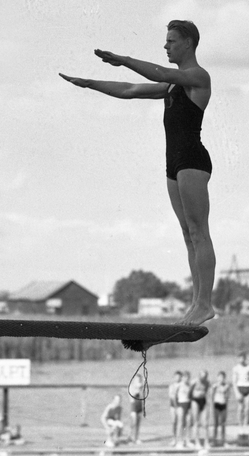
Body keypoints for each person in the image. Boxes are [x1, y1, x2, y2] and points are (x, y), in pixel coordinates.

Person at [60, 20, 215, 326]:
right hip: (174, 163)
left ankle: (204, 303)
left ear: (188, 44)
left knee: (199, 231)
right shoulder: (172, 86)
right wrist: (90, 83)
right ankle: (196, 303)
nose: (166, 46)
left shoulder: (197, 77)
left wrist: (124, 60)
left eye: (171, 41)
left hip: (192, 161)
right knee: (187, 235)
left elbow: (160, 72)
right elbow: (130, 90)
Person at [232, 352, 249, 428]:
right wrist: (236, 393)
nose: (242, 359)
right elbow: (234, 382)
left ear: (245, 358)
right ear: (238, 359)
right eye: (240, 358)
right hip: (240, 388)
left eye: (243, 358)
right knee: (240, 408)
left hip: (248, 387)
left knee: (247, 409)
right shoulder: (236, 368)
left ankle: (245, 425)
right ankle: (240, 425)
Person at [190, 370, 210, 447]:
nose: (203, 378)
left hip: (203, 401)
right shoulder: (194, 382)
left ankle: (206, 442)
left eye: (205, 377)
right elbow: (189, 393)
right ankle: (197, 442)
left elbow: (207, 392)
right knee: (196, 422)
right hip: (195, 401)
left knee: (205, 423)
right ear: (199, 376)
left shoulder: (207, 383)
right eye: (202, 376)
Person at [211, 370, 231, 446]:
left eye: (222, 377)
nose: (220, 379)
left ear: (224, 378)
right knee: (216, 423)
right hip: (216, 405)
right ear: (217, 378)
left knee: (223, 423)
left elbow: (228, 396)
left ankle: (223, 441)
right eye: (219, 377)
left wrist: (225, 392)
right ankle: (214, 440)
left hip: (223, 405)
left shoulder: (227, 386)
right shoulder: (214, 386)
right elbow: (211, 395)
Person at [175, 370, 194, 447]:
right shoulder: (178, 385)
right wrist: (177, 406)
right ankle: (179, 441)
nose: (187, 379)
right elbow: (174, 397)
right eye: (185, 378)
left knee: (189, 423)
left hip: (188, 404)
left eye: (188, 378)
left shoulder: (190, 386)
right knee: (180, 424)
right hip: (181, 404)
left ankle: (188, 440)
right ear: (182, 378)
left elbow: (191, 396)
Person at [128, 372, 147, 444]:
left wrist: (143, 381)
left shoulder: (141, 387)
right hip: (134, 405)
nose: (138, 381)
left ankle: (136, 438)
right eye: (137, 379)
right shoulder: (132, 386)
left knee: (138, 422)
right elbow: (132, 396)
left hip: (139, 405)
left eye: (139, 379)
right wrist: (137, 387)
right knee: (133, 422)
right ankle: (130, 437)